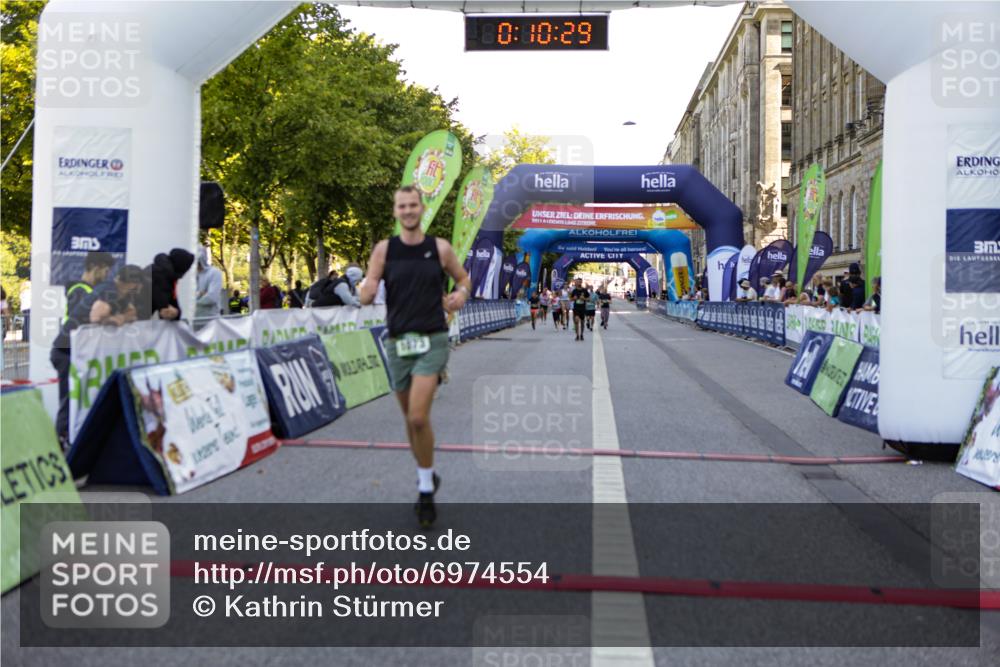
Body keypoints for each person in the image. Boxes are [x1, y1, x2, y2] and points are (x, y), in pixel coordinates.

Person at [359, 185, 471, 528]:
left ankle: (424, 489)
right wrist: (365, 290)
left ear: (422, 209)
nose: (407, 211)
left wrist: (460, 295)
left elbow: (463, 279)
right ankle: (428, 475)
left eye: (413, 205)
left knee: (419, 416)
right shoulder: (383, 250)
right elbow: (368, 289)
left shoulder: (438, 248)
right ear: (395, 212)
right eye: (401, 206)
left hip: (432, 339)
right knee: (410, 418)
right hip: (397, 342)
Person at [50, 264, 145, 448]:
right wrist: (114, 319)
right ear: (132, 283)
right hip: (66, 351)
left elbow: (132, 313)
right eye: (138, 285)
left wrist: (121, 318)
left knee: (79, 396)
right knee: (69, 398)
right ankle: (61, 441)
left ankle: (73, 439)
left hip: (76, 351)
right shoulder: (109, 290)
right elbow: (96, 316)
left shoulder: (120, 293)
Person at [149, 248, 194, 320]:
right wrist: (171, 311)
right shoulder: (160, 276)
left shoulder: (169, 277)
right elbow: (164, 305)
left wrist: (176, 313)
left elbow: (172, 303)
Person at [195, 248, 223, 318]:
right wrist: (200, 293)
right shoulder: (190, 275)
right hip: (193, 319)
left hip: (211, 319)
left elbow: (211, 298)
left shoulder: (214, 273)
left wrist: (192, 301)